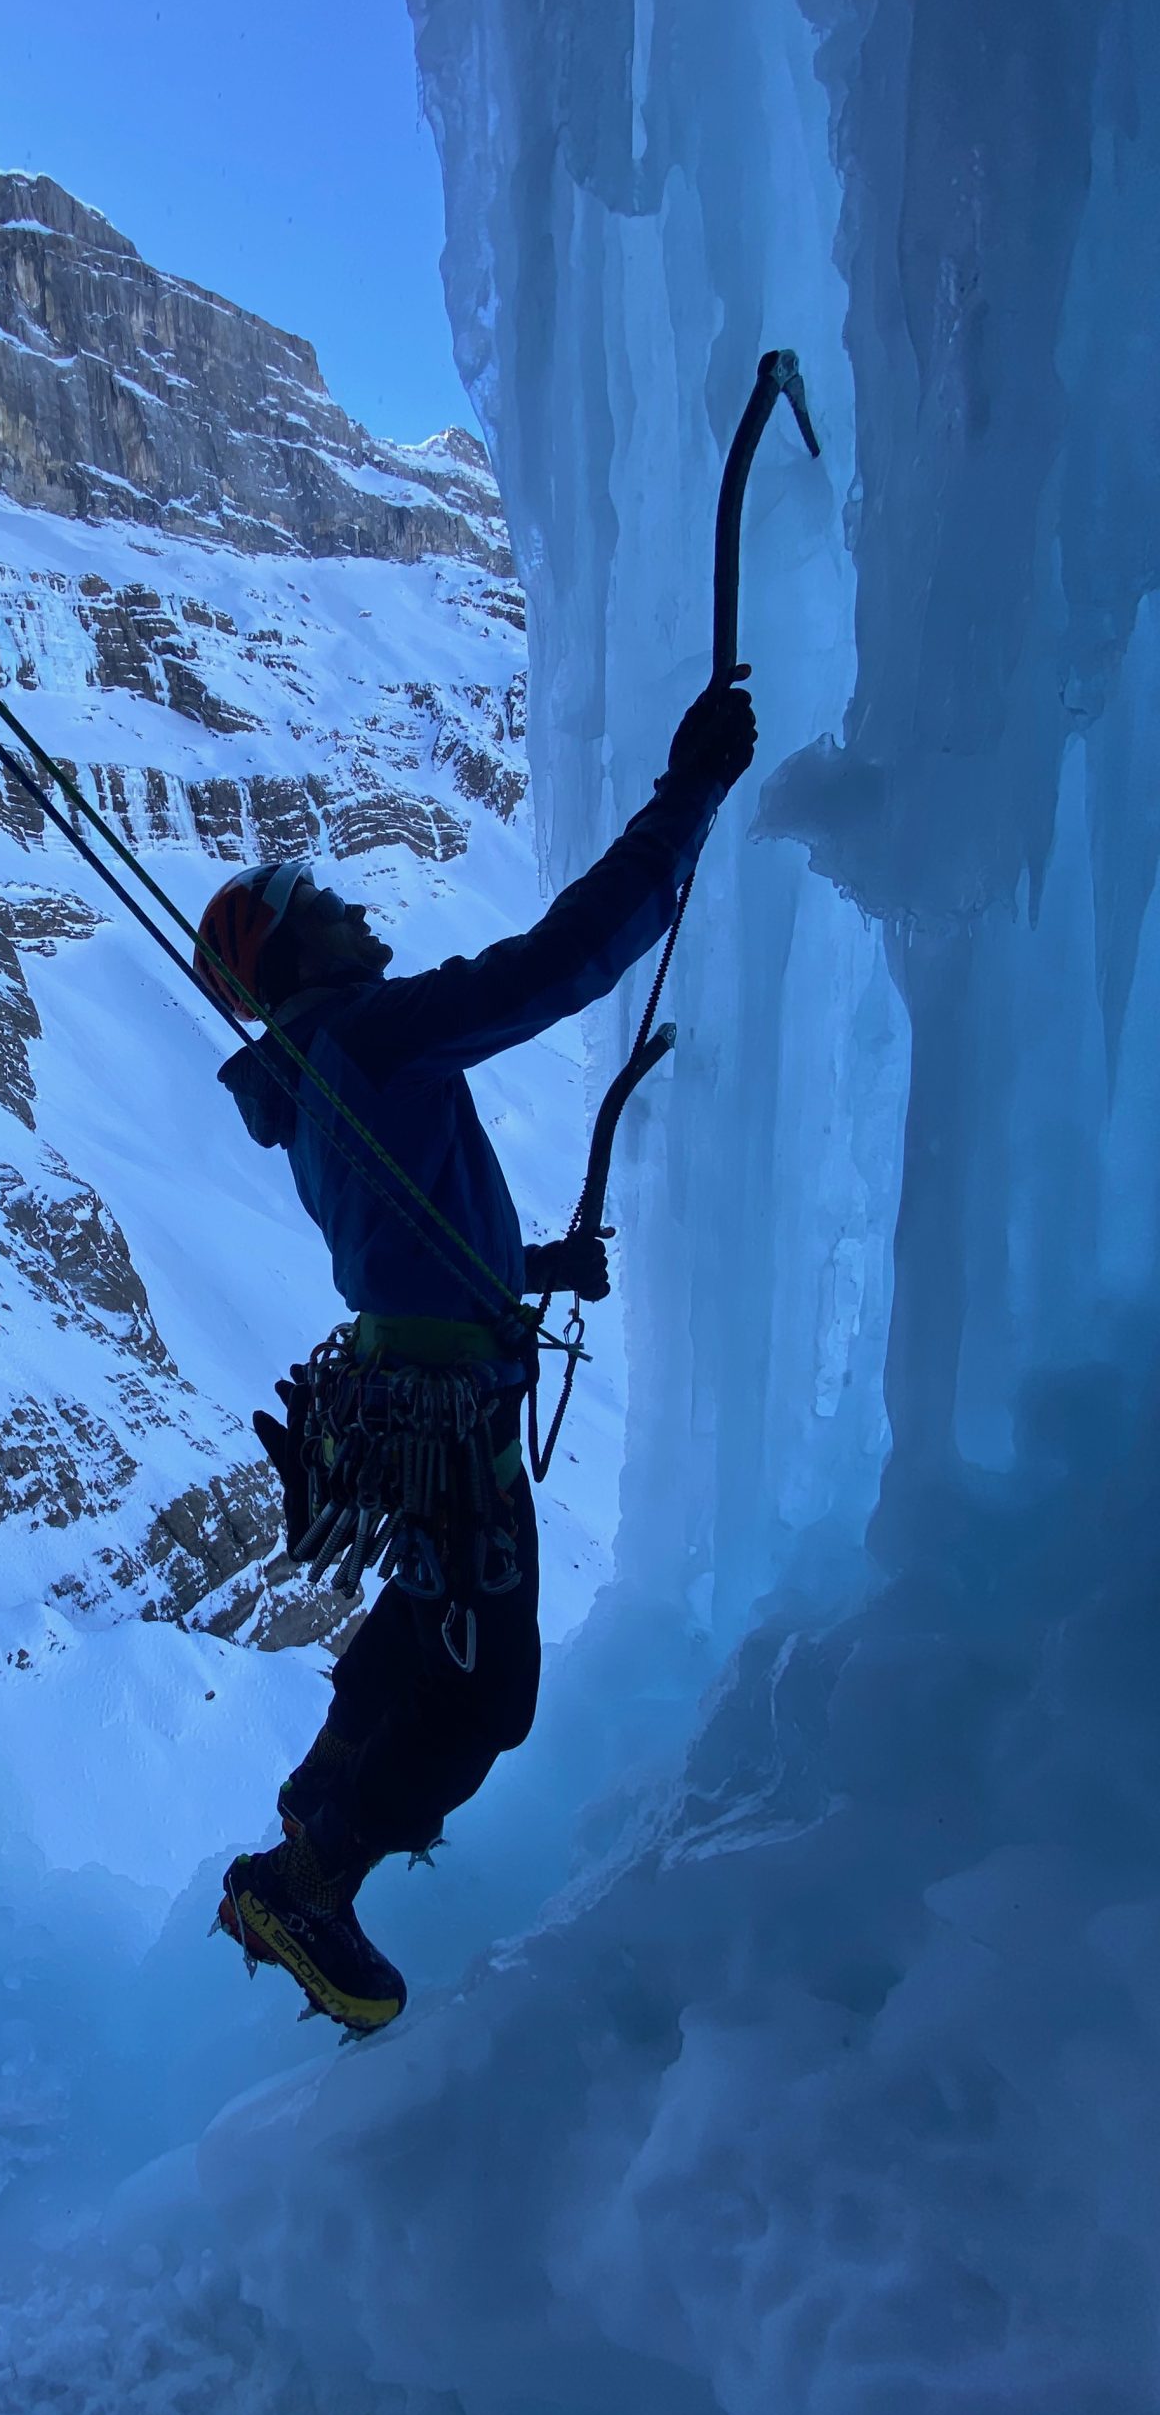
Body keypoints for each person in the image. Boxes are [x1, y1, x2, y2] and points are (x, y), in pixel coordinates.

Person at [196, 674, 758, 2032]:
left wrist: (532, 1269)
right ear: (295, 956)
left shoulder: (319, 1069)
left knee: (427, 1618)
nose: (356, 909)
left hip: (414, 1395)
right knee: (490, 1693)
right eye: (325, 905)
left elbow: (406, 1232)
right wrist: (689, 796)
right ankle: (308, 1881)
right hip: (445, 1411)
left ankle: (321, 1799)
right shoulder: (373, 1035)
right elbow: (562, 960)